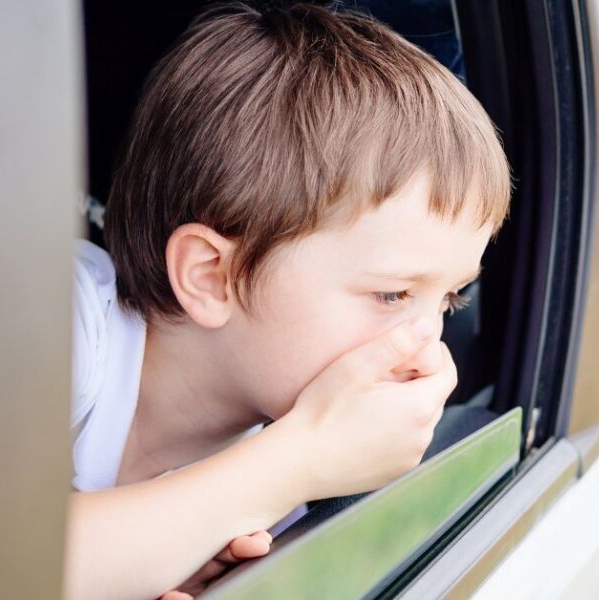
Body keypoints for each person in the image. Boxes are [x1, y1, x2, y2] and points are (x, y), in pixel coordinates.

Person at [66, 3, 511, 599]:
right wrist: (298, 459)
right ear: (212, 278)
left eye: (451, 299)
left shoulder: (276, 501)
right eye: (391, 294)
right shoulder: (57, 323)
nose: (430, 355)